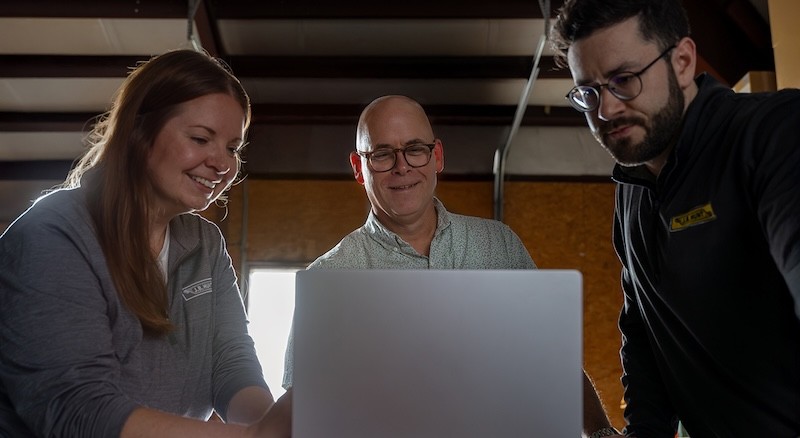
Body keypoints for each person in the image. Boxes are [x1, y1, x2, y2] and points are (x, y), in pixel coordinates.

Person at [282, 94, 622, 437]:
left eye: (415, 149)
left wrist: (601, 433)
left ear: (437, 156)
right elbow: (303, 410)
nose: (402, 167)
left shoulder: (499, 245)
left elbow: (553, 361)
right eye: (383, 154)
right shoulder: (328, 279)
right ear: (359, 167)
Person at [0, 49, 290, 438]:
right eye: (201, 138)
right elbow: (78, 410)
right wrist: (256, 436)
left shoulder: (204, 242)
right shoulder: (53, 235)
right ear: (139, 132)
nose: (222, 164)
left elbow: (228, 361)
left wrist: (271, 423)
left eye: (233, 148)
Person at [550, 0, 800, 436]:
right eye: (588, 92)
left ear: (682, 61)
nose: (605, 110)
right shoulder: (631, 188)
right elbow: (645, 332)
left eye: (623, 80)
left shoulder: (773, 134)